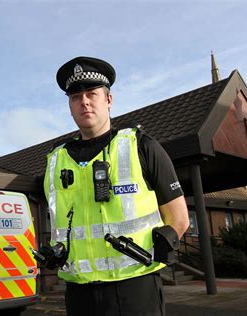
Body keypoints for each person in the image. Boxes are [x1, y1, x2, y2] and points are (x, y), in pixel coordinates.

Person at [41, 56, 190, 316]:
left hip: (135, 288)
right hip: (79, 292)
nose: (84, 101)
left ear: (109, 100)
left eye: (91, 94)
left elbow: (179, 218)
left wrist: (167, 241)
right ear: (69, 106)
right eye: (75, 97)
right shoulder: (56, 159)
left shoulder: (142, 146)